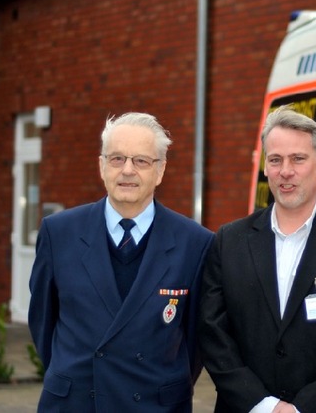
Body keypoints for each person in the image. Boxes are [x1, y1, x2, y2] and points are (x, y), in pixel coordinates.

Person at [198, 105, 316, 412]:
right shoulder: (229, 241)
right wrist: (264, 405)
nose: (286, 171)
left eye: (298, 158)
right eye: (275, 160)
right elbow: (213, 332)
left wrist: (303, 409)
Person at [28, 112, 214, 412]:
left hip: (155, 405)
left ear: (161, 170)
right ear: (102, 166)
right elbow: (42, 322)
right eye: (116, 159)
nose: (127, 170)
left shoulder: (196, 243)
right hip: (76, 404)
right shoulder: (58, 233)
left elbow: (196, 342)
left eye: (141, 161)